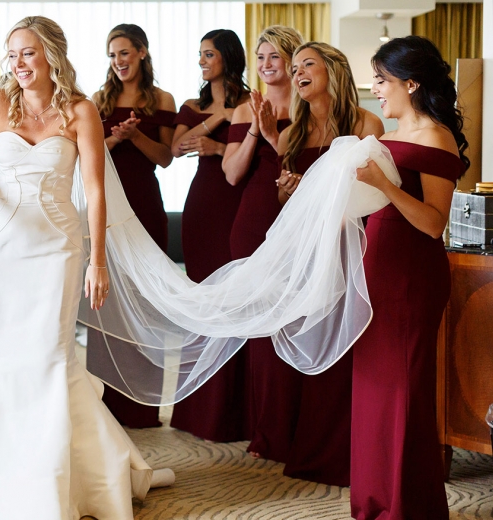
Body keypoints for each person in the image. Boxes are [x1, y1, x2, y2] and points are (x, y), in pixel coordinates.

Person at [0, 16, 174, 519]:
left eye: (27, 53)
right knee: (8, 356)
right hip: (5, 248)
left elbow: (94, 189)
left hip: (59, 249)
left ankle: (62, 477)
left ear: (51, 55)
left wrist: (98, 261)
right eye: (12, 54)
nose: (18, 64)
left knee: (52, 356)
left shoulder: (81, 111)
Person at [350, 35, 468, 519]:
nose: (376, 89)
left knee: (404, 390)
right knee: (373, 390)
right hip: (376, 265)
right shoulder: (388, 135)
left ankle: (406, 505)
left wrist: (382, 184)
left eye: (382, 80)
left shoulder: (437, 137)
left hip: (411, 276)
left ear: (411, 83)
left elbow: (434, 223)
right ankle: (375, 499)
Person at [274, 41, 384, 487]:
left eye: (307, 64)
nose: (297, 72)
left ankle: (352, 456)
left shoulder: (366, 125)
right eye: (294, 67)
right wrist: (288, 190)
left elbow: (376, 194)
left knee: (350, 342)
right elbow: (285, 201)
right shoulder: (290, 136)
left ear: (332, 71)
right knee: (315, 337)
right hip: (307, 252)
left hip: (351, 248)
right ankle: (313, 450)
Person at [87, 23, 176, 429]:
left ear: (141, 52)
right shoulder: (98, 100)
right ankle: (107, 403)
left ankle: (143, 404)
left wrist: (136, 135)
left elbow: (166, 157)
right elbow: (86, 155)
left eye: (124, 52)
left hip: (144, 203)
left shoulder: (162, 99)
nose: (118, 61)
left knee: (144, 300)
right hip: (107, 208)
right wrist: (115, 140)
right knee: (108, 303)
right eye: (112, 55)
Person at [221, 25, 302, 462]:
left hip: (299, 218)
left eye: (275, 56)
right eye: (261, 57)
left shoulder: (311, 106)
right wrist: (256, 126)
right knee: (262, 328)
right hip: (254, 221)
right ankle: (267, 431)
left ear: (292, 61)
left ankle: (300, 426)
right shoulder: (243, 109)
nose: (266, 65)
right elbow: (232, 174)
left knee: (298, 320)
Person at [168, 28, 250, 442]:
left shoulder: (253, 102)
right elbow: (176, 148)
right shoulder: (192, 105)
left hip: (240, 200)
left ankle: (236, 412)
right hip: (203, 205)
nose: (202, 61)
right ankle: (199, 410)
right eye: (200, 55)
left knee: (237, 298)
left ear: (228, 57)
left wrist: (219, 146)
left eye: (209, 54)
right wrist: (219, 118)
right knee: (203, 299)